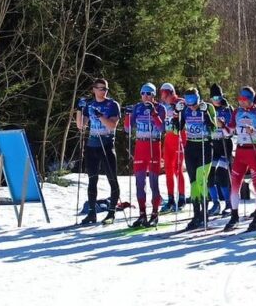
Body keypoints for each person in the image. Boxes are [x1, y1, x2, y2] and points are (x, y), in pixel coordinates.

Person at [75, 78, 122, 224]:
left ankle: (111, 212)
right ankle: (91, 213)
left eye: (106, 89)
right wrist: (79, 109)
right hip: (92, 145)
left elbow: (112, 125)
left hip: (106, 144)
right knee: (92, 179)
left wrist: (100, 116)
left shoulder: (112, 104)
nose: (104, 91)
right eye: (101, 88)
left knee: (112, 178)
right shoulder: (89, 104)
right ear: (94, 89)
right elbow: (81, 125)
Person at [224, 87, 256, 231]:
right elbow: (229, 132)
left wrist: (254, 131)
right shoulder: (237, 112)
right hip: (240, 152)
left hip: (254, 150)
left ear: (250, 100)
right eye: (240, 99)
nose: (241, 102)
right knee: (235, 184)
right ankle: (234, 215)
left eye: (244, 99)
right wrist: (222, 126)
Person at [171, 88, 216, 230]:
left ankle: (205, 215)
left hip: (205, 145)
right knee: (194, 183)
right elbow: (176, 130)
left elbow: (214, 128)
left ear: (198, 98)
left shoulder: (208, 107)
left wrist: (205, 113)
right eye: (188, 101)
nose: (191, 105)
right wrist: (176, 114)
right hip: (190, 146)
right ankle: (196, 215)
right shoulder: (185, 109)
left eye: (193, 101)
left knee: (201, 181)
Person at [123, 83, 165, 227]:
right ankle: (142, 214)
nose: (145, 96)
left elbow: (162, 128)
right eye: (143, 93)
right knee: (139, 182)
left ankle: (155, 214)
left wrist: (154, 113)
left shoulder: (160, 108)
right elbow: (127, 129)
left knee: (154, 182)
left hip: (154, 145)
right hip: (140, 146)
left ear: (154, 95)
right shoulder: (137, 107)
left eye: (148, 93)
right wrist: (128, 115)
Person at [158, 83, 187, 212]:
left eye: (164, 93)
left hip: (179, 138)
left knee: (177, 169)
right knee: (168, 169)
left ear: (170, 92)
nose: (162, 96)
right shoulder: (164, 105)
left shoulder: (180, 102)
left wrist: (179, 110)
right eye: (161, 93)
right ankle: (170, 199)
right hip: (168, 138)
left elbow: (186, 116)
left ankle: (182, 198)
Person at [207, 84, 234, 216]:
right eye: (214, 98)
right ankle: (215, 203)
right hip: (214, 145)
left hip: (225, 144)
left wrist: (222, 125)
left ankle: (229, 203)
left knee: (222, 174)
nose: (216, 100)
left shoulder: (227, 109)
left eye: (219, 97)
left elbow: (231, 129)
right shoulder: (208, 109)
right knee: (209, 175)